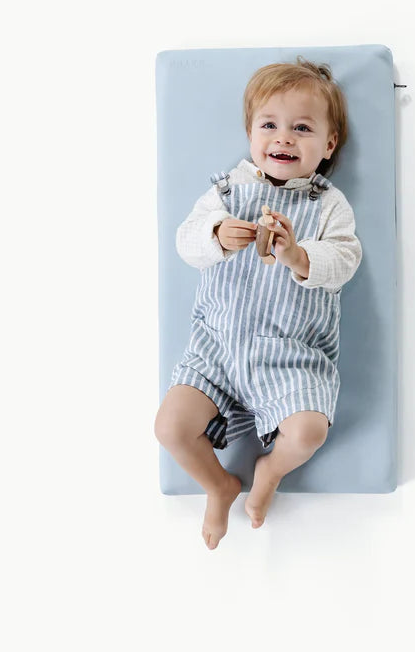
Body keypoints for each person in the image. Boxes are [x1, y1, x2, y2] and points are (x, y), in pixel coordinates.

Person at [154, 57, 362, 549]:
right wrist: (216, 235)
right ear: (250, 134)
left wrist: (298, 255)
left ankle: (270, 470)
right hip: (217, 349)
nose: (283, 138)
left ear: (329, 145)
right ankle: (219, 485)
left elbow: (345, 258)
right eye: (269, 125)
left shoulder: (328, 205)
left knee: (308, 432)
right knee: (170, 428)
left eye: (302, 128)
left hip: (290, 356)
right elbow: (186, 241)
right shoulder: (227, 192)